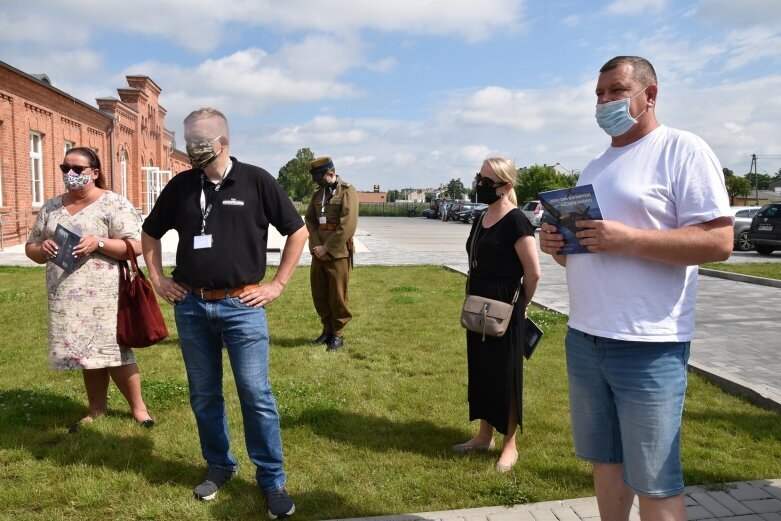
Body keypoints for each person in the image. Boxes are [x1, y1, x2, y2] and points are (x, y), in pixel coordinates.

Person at [539, 56, 733, 521]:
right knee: (605, 462)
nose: (604, 101)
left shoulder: (682, 150)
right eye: (599, 94)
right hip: (585, 337)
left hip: (649, 344)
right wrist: (558, 246)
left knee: (655, 479)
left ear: (650, 95)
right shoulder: (595, 165)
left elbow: (719, 241)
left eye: (616, 91)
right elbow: (589, 249)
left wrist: (627, 239)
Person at [141, 108, 308, 519]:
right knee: (204, 394)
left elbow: (297, 231)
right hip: (193, 306)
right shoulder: (180, 186)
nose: (190, 147)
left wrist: (277, 284)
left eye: (198, 140)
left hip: (242, 307)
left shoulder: (256, 180)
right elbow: (149, 233)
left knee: (256, 395)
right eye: (187, 139)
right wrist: (158, 279)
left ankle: (272, 480)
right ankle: (219, 465)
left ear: (222, 142)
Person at [25, 147, 154, 433]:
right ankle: (96, 409)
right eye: (64, 168)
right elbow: (31, 247)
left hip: (106, 296)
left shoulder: (113, 203)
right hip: (66, 297)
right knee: (86, 355)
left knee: (116, 352)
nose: (70, 174)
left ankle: (139, 409)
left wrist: (100, 242)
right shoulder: (51, 207)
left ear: (94, 173)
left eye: (77, 169)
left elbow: (136, 246)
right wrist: (41, 248)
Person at [453, 157, 541, 473]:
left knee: (506, 374)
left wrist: (524, 303)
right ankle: (484, 435)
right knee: (482, 369)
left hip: (506, 305)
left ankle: (510, 444)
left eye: (487, 180)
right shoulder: (482, 217)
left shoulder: (517, 221)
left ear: (505, 186)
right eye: (479, 177)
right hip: (478, 303)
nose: (479, 184)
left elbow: (533, 272)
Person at [304, 156, 358, 351]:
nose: (317, 182)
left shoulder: (347, 192)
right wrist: (317, 247)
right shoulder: (318, 193)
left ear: (331, 173)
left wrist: (328, 248)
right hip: (318, 252)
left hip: (338, 253)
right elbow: (310, 220)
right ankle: (326, 330)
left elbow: (348, 225)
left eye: (320, 177)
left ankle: (337, 334)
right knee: (319, 293)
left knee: (337, 295)